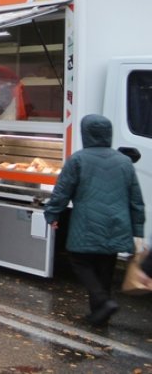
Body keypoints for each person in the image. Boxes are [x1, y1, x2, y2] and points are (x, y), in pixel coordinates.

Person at [44, 114, 145, 325]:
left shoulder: (78, 159)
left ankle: (102, 301)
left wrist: (52, 214)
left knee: (79, 261)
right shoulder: (124, 162)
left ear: (86, 133)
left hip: (87, 223)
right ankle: (100, 315)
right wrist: (138, 232)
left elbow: (62, 192)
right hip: (117, 223)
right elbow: (136, 200)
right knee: (105, 268)